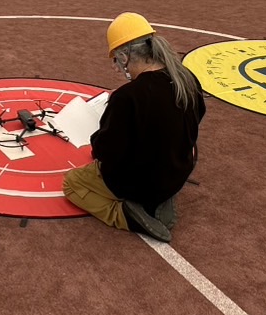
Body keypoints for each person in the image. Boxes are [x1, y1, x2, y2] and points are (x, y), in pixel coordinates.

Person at [62, 12, 204, 242]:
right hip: (177, 173)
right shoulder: (187, 78)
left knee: (72, 183)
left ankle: (126, 214)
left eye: (115, 60)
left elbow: (106, 152)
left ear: (124, 56)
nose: (116, 67)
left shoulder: (128, 97)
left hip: (137, 184)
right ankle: (161, 198)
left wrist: (101, 131)